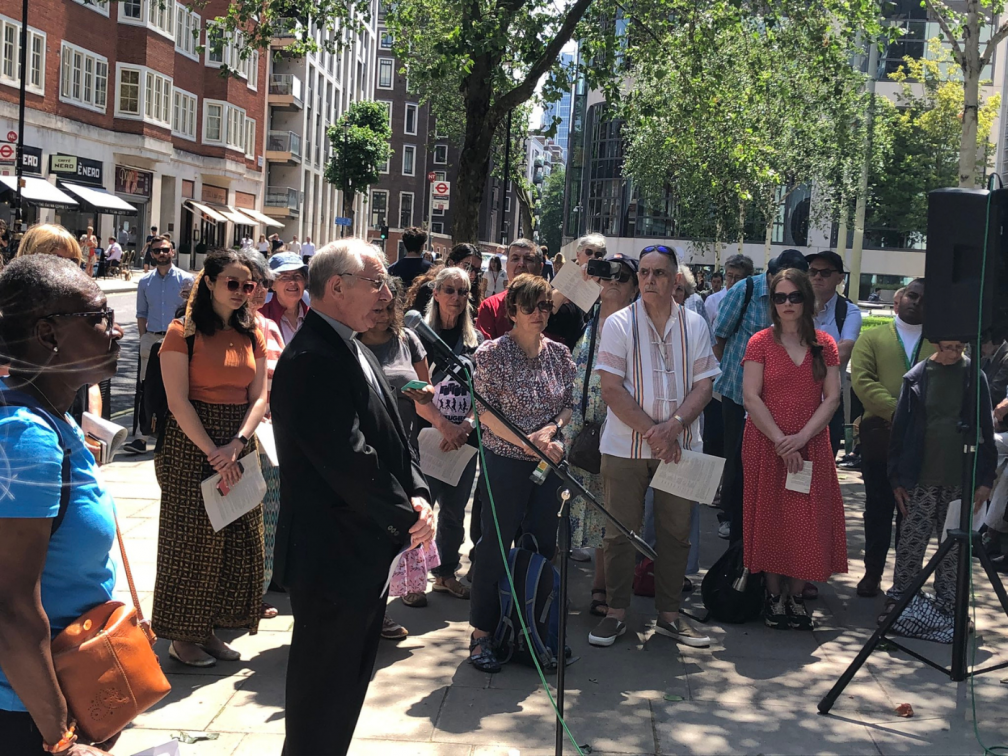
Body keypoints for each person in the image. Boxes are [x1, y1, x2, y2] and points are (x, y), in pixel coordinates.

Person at [271, 239, 434, 754]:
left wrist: (419, 491)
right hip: (331, 553)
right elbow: (347, 457)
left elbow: (392, 437)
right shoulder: (311, 357)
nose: (387, 294)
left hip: (362, 548)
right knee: (323, 691)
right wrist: (404, 515)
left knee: (348, 683)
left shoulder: (355, 343)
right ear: (336, 287)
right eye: (376, 281)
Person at [0, 256, 122, 756]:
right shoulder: (25, 437)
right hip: (27, 717)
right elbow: (10, 607)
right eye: (99, 316)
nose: (115, 332)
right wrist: (62, 740)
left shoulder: (52, 417)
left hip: (72, 692)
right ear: (48, 333)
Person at [588, 245, 718, 649]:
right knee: (619, 533)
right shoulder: (618, 324)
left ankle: (670, 616)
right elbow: (610, 389)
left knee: (677, 535)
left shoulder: (695, 324)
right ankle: (615, 614)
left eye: (659, 273)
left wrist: (675, 426)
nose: (649, 280)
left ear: (675, 279)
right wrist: (656, 432)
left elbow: (705, 384)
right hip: (625, 447)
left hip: (681, 446)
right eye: (643, 272)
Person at [153, 249, 269, 667]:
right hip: (191, 445)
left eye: (248, 285)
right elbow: (177, 401)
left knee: (238, 541)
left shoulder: (251, 331)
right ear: (210, 283)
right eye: (232, 283)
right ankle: (183, 637)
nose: (240, 292)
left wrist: (236, 445)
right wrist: (213, 453)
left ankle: (213, 631)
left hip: (238, 442)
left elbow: (258, 398)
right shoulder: (181, 332)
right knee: (191, 544)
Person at [468, 274, 576, 672]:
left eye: (545, 305)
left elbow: (568, 405)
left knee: (542, 546)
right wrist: (524, 441)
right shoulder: (492, 354)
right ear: (511, 310)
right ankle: (482, 634)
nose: (538, 313)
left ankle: (533, 629)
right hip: (504, 461)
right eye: (529, 306)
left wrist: (552, 431)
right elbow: (482, 413)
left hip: (548, 462)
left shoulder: (560, 354)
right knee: (494, 545)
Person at [741, 268, 847, 630]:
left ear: (807, 299)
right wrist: (780, 441)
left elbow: (832, 398)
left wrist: (800, 439)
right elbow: (750, 396)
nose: (787, 304)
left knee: (806, 519)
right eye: (779, 297)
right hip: (765, 443)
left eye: (794, 296)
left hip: (811, 444)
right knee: (771, 516)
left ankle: (797, 595)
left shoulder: (825, 344)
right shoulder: (760, 342)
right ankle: (773, 595)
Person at [883, 340, 996, 639]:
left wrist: (985, 480)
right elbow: (900, 429)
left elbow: (986, 427)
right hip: (919, 479)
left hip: (959, 481)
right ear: (936, 343)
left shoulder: (975, 376)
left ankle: (950, 607)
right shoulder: (918, 376)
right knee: (910, 543)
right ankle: (902, 602)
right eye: (949, 347)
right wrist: (896, 478)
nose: (955, 353)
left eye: (960, 347)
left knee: (954, 552)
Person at [713, 249, 808, 544]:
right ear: (769, 276)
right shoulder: (745, 290)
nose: (787, 297)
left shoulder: (803, 302)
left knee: (775, 465)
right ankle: (731, 519)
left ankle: (769, 526)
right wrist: (737, 380)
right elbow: (719, 338)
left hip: (783, 402)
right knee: (738, 460)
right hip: (739, 395)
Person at [850, 279, 933, 598]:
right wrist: (898, 412)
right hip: (879, 437)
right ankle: (872, 572)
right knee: (878, 508)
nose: (917, 302)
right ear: (899, 299)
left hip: (923, 442)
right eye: (912, 295)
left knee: (913, 513)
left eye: (924, 299)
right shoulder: (872, 338)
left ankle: (906, 577)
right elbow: (863, 381)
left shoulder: (940, 344)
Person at [566, 253, 639, 617]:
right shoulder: (588, 314)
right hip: (578, 427)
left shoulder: (636, 325)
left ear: (635, 288)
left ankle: (603, 587)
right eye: (607, 274)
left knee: (608, 512)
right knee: (576, 506)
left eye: (623, 277)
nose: (612, 281)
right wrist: (581, 277)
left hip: (615, 427)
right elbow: (548, 302)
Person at [416, 266, 485, 600]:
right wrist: (443, 426)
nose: (456, 298)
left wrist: (466, 426)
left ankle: (444, 573)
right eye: (450, 290)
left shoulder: (477, 342)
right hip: (425, 434)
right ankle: (413, 580)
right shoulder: (416, 337)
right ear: (436, 293)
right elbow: (412, 390)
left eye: (463, 292)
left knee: (455, 513)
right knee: (420, 511)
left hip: (464, 441)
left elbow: (485, 392)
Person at [243, 253, 286, 620]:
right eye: (253, 281)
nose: (261, 289)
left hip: (269, 439)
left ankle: (255, 591)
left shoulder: (269, 328)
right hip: (233, 439)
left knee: (265, 521)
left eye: (263, 282)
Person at [125, 235, 194, 454]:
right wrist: (144, 336)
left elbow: (192, 312)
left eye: (165, 250)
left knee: (180, 388)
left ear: (172, 252)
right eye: (157, 251)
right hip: (152, 338)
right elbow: (141, 313)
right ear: (151, 254)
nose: (161, 254)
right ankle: (140, 437)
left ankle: (176, 435)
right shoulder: (145, 282)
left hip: (179, 340)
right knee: (146, 388)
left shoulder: (186, 280)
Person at [477, 239, 587, 348]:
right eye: (515, 258)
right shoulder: (490, 306)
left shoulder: (563, 309)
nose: (521, 264)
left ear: (541, 267)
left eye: (528, 259)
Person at [806, 251, 863, 456]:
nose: (818, 277)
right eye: (813, 271)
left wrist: (798, 359)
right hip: (794, 401)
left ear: (840, 279)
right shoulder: (793, 307)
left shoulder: (848, 312)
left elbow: (844, 352)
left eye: (825, 272)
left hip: (829, 401)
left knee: (823, 465)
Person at [261, 252, 309, 343]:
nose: (292, 281)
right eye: (284, 277)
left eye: (297, 276)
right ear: (272, 284)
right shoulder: (261, 318)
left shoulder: (314, 317)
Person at [705, 255, 752, 328]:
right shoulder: (712, 300)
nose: (733, 281)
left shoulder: (751, 301)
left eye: (738, 277)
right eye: (730, 276)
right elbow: (706, 329)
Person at [446, 242, 484, 310]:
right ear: (451, 263)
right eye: (467, 267)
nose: (472, 275)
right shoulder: (430, 288)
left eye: (477, 270)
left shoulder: (474, 296)